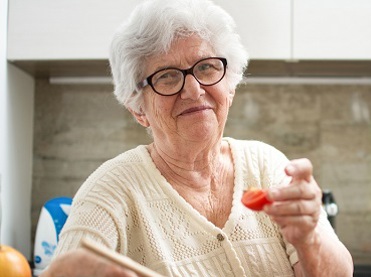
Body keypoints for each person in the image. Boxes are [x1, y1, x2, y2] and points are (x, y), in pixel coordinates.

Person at [41, 0, 353, 276]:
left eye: (205, 67)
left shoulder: (268, 165)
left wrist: (309, 238)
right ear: (139, 109)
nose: (193, 90)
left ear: (229, 86)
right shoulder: (111, 190)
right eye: (166, 76)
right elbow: (67, 269)